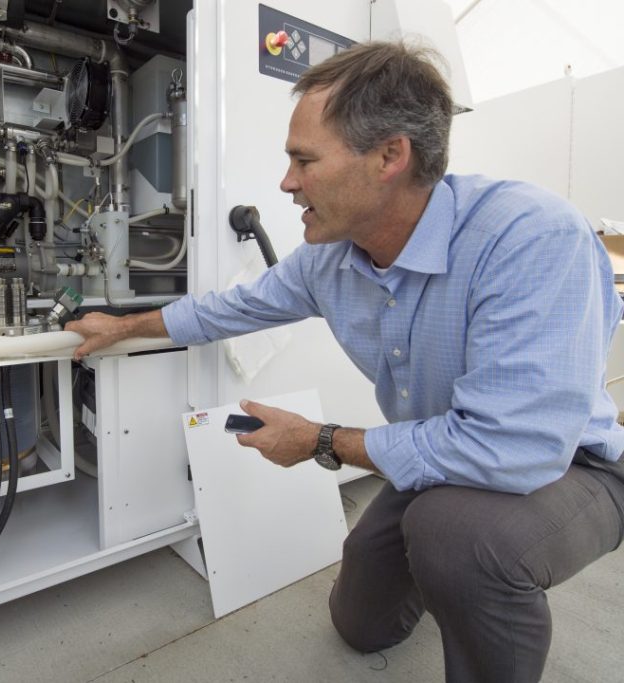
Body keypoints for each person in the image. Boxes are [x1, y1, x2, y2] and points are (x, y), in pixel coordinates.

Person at [65, 41, 624, 682]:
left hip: (569, 469)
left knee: (458, 539)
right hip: (446, 462)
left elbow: (512, 448)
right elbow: (228, 310)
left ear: (390, 155)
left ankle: (482, 595)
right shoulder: (330, 259)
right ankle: (459, 578)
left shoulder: (529, 238)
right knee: (361, 625)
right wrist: (124, 325)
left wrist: (319, 441)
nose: (286, 182)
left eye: (303, 160)